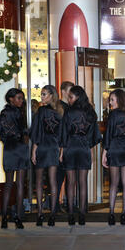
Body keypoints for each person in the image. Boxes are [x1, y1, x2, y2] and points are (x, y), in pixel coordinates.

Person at [60, 86, 102, 226]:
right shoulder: (90, 112)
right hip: (84, 148)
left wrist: (62, 151)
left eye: (71, 97)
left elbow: (64, 133)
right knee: (83, 182)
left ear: (77, 97)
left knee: (70, 182)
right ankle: (82, 214)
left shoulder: (69, 112)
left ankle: (71, 214)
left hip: (70, 148)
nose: (69, 99)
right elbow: (94, 135)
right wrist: (89, 148)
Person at [30, 85, 64, 227]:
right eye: (41, 94)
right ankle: (52, 215)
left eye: (44, 94)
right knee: (53, 182)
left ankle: (39, 214)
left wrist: (33, 150)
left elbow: (36, 132)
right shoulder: (61, 111)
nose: (41, 97)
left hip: (43, 147)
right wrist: (61, 151)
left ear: (51, 95)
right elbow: (63, 134)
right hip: (54, 148)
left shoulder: (41, 111)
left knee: (39, 182)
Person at [102, 89, 125, 226]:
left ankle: (111, 214)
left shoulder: (113, 115)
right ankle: (123, 214)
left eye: (112, 100)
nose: (110, 103)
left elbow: (108, 135)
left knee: (114, 183)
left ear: (119, 100)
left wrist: (104, 153)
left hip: (115, 150)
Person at [0, 88, 30, 229]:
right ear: (11, 98)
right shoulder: (17, 113)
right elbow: (23, 133)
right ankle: (17, 218)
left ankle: (4, 218)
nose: (21, 101)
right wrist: (23, 137)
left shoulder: (4, 113)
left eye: (22, 98)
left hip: (10, 149)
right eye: (18, 98)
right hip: (19, 149)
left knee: (9, 183)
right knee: (19, 183)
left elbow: (2, 133)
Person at [56, 81, 73, 213]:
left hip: (66, 146)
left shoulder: (68, 107)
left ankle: (67, 203)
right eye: (70, 91)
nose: (71, 94)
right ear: (63, 91)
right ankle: (56, 204)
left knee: (67, 176)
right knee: (59, 176)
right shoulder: (60, 107)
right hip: (60, 146)